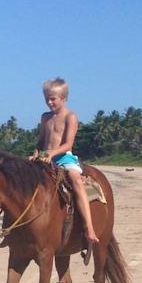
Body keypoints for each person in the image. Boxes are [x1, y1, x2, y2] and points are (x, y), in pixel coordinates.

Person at [29, 77, 99, 244]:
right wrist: (35, 153)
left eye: (53, 99)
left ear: (64, 98)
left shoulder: (70, 117)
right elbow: (41, 141)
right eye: (47, 98)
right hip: (45, 156)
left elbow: (68, 143)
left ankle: (89, 227)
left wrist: (52, 154)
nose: (49, 102)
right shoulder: (45, 117)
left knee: (75, 180)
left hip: (63, 157)